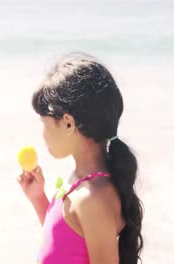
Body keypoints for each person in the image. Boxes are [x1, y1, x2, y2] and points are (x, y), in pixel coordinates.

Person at [17, 53, 143, 264]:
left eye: (45, 124)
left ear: (68, 123)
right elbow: (63, 244)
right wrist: (38, 198)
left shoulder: (93, 199)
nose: (43, 134)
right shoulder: (82, 181)